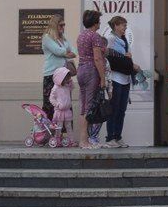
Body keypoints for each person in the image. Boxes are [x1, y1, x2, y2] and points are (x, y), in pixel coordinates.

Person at [77, 9, 109, 147]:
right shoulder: (95, 36)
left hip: (81, 69)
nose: (100, 23)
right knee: (89, 106)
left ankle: (83, 139)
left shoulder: (81, 36)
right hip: (91, 70)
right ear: (95, 23)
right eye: (99, 21)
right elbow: (97, 58)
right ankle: (84, 140)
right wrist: (103, 78)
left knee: (84, 106)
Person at [104, 15, 135, 147]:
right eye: (123, 25)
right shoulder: (110, 38)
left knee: (121, 110)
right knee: (114, 109)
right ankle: (110, 137)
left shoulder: (123, 39)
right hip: (115, 78)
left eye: (126, 26)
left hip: (125, 79)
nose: (125, 28)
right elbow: (107, 55)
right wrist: (124, 57)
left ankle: (118, 136)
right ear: (116, 25)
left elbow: (126, 56)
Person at [40, 14, 75, 120]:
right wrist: (66, 52)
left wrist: (67, 53)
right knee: (51, 103)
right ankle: (50, 131)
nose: (63, 27)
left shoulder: (63, 39)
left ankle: (64, 132)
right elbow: (57, 51)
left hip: (64, 75)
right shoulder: (47, 37)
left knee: (65, 102)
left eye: (64, 25)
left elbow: (73, 50)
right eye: (61, 25)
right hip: (51, 74)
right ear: (55, 25)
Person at [49, 66, 76, 146]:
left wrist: (70, 81)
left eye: (68, 78)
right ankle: (57, 140)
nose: (67, 80)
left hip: (67, 110)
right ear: (60, 78)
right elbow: (51, 98)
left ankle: (71, 141)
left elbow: (73, 87)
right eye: (66, 78)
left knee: (69, 126)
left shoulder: (67, 86)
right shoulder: (55, 88)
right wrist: (57, 105)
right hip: (59, 111)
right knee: (59, 127)